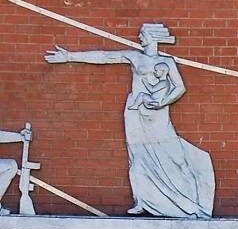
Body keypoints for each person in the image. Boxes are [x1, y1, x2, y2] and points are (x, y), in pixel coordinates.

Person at [44, 23, 215, 218]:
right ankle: (142, 199)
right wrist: (71, 56)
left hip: (157, 113)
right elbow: (105, 56)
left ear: (152, 37)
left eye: (142, 35)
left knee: (172, 153)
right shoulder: (135, 57)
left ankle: (190, 199)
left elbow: (179, 87)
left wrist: (160, 102)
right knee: (138, 155)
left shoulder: (167, 62)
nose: (139, 38)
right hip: (135, 111)